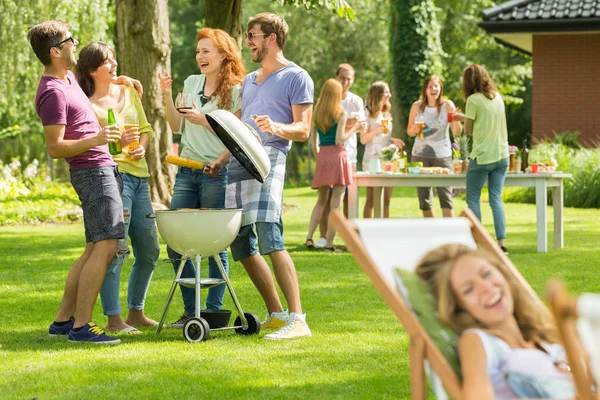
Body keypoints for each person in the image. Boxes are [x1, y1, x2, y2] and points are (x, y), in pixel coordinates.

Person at [28, 21, 139, 344]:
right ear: (55, 51)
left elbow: (98, 87)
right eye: (70, 40)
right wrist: (98, 138)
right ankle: (82, 327)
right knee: (106, 247)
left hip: (100, 167)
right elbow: (55, 147)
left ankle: (64, 321)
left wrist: (122, 80)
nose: (76, 43)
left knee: (93, 247)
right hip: (92, 171)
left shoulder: (69, 79)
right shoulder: (52, 92)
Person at [225, 12, 313, 340]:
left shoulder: (297, 77)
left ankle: (298, 319)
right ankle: (276, 314)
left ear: (271, 38)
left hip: (269, 159)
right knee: (241, 241)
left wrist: (276, 127)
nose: (248, 42)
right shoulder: (249, 80)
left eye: (252, 36)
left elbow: (303, 129)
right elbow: (239, 125)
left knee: (269, 236)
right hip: (239, 160)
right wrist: (222, 157)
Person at [157, 27, 245, 327]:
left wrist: (204, 120)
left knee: (214, 244)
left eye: (206, 51)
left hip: (216, 174)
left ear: (223, 54)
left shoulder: (236, 90)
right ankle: (191, 313)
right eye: (198, 51)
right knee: (176, 241)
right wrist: (167, 96)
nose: (200, 56)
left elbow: (236, 136)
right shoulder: (192, 82)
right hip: (186, 171)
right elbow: (176, 125)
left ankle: (213, 313)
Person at [414, 244, 575, 399]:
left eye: (486, 274)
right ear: (458, 308)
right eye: (468, 289)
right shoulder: (477, 341)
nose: (486, 288)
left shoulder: (542, 335)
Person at [75, 42, 160, 334]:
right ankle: (114, 319)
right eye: (107, 61)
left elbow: (146, 129)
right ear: (91, 69)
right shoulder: (86, 104)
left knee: (149, 249)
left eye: (114, 59)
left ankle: (136, 312)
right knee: (115, 249)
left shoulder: (129, 92)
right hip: (113, 177)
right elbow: (93, 149)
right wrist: (118, 146)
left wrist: (141, 149)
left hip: (140, 178)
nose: (114, 65)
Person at [454, 65, 509, 254]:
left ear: (468, 82)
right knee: (496, 199)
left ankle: (478, 243)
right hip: (502, 156)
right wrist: (462, 117)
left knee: (473, 199)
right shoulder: (498, 97)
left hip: (482, 156)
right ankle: (501, 244)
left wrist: (460, 119)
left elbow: (468, 130)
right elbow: (482, 119)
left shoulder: (473, 100)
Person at [314, 63, 366, 249]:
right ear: (337, 77)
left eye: (349, 78)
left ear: (353, 80)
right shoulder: (326, 100)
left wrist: (351, 124)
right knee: (327, 199)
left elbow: (362, 125)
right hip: (330, 153)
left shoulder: (356, 101)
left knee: (347, 199)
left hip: (348, 155)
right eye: (342, 78)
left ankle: (342, 236)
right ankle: (323, 237)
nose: (345, 82)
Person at [305, 79, 353, 252]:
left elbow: (313, 143)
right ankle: (330, 244)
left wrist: (320, 157)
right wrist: (353, 130)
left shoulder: (317, 113)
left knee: (320, 201)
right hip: (338, 156)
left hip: (323, 156)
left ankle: (309, 237)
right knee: (335, 205)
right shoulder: (341, 113)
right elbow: (340, 140)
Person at [407, 75, 463, 218]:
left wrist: (455, 119)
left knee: (446, 198)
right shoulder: (417, 106)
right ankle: (434, 234)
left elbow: (457, 132)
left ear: (440, 88)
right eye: (430, 86)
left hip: (442, 156)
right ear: (425, 89)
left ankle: (449, 236)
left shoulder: (447, 105)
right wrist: (414, 129)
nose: (433, 89)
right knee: (424, 200)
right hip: (419, 155)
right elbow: (409, 131)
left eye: (436, 86)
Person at [360, 81, 404, 218]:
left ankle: (384, 232)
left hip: (388, 160)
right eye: (386, 92)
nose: (389, 95)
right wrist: (377, 130)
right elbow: (363, 139)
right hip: (372, 159)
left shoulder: (386, 114)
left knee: (386, 200)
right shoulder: (366, 114)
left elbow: (384, 137)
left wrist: (393, 141)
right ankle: (366, 233)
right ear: (378, 94)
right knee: (371, 200)